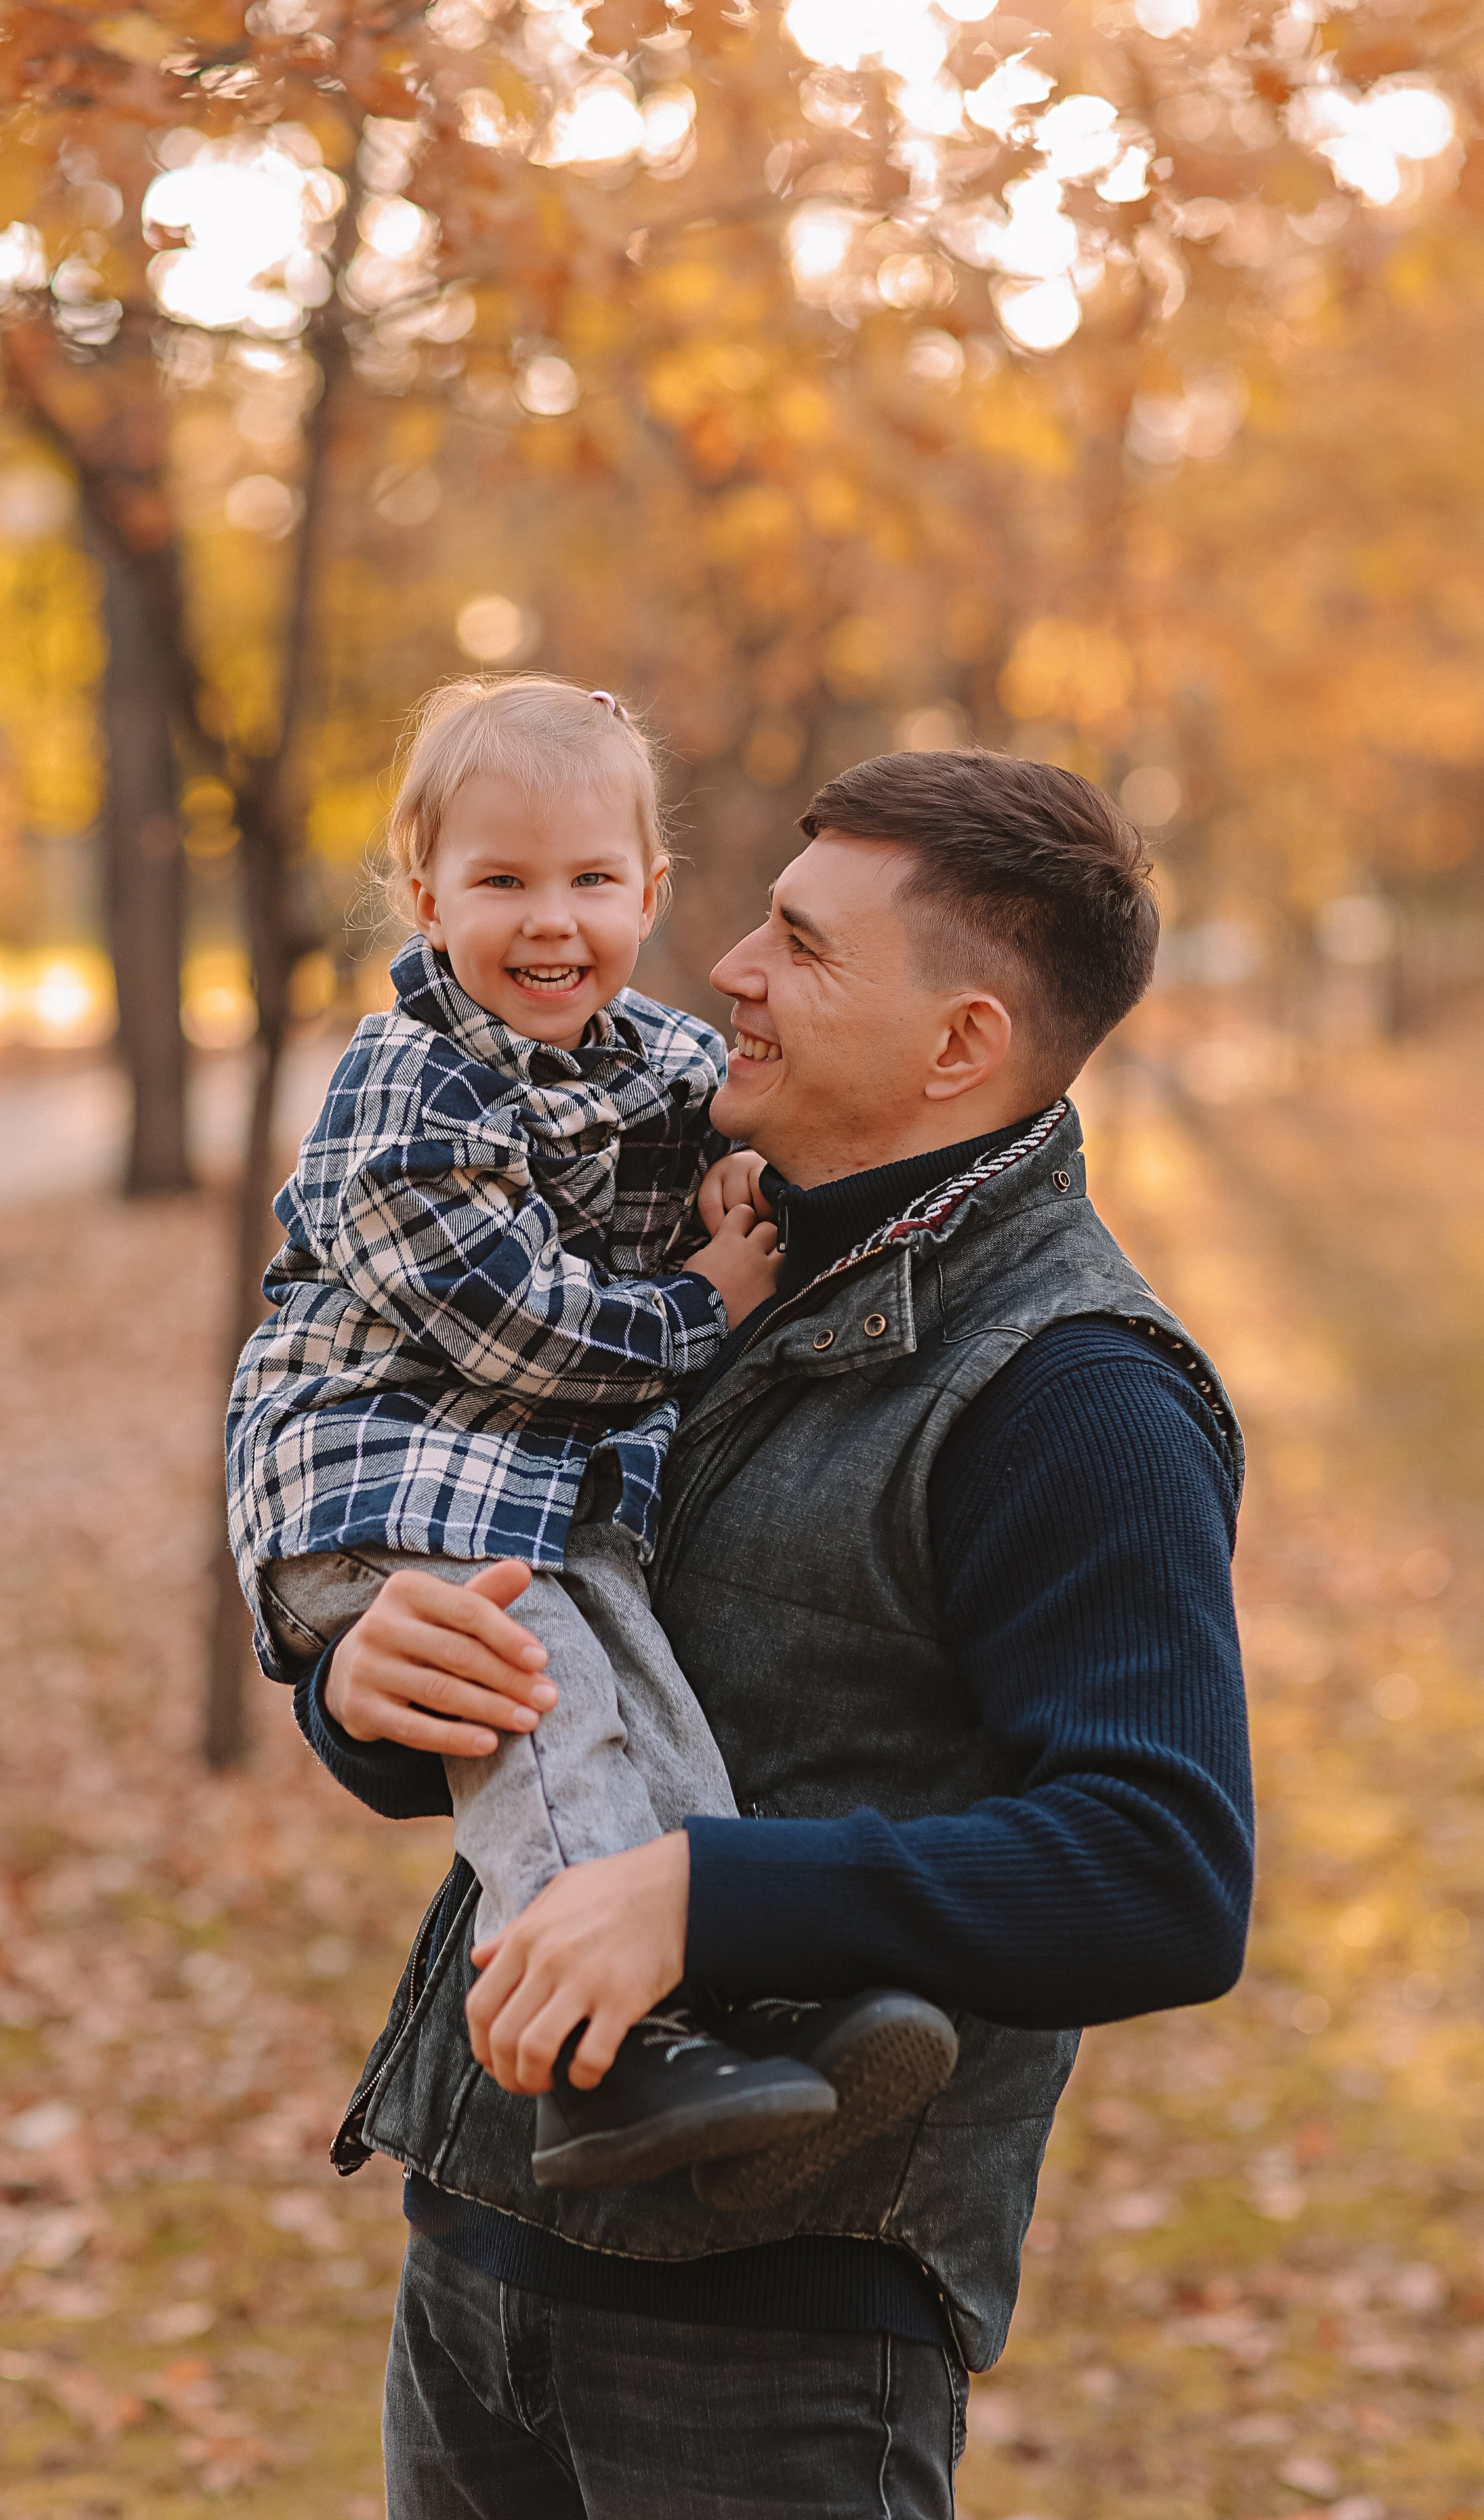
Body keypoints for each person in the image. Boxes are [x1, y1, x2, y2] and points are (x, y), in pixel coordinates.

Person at [304, 746, 1256, 2519]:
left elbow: (1165, 1869)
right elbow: (552, 1646)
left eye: (804, 949)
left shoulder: (1074, 1395)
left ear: (961, 1043)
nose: (728, 967)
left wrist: (703, 1893)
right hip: (482, 2245)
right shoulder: (688, 1257)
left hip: (775, 2342)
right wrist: (369, 1690)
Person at [227, 675, 957, 2196]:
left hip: (529, 1493)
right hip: (380, 1467)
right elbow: (522, 1340)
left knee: (645, 1702)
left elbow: (743, 1121)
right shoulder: (405, 1086)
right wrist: (710, 1291)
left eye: (587, 880)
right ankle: (596, 2052)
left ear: (650, 891)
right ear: (424, 898)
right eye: (501, 882)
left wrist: (730, 1182)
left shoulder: (648, 1053)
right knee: (548, 1706)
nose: (548, 921)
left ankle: (720, 1999)